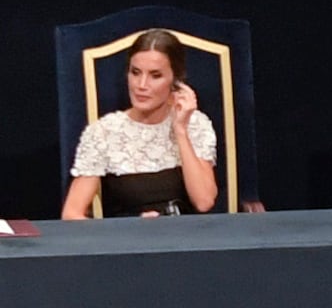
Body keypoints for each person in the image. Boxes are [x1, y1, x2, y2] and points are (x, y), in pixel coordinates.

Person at [67, 33, 223, 219]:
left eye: (155, 75)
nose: (141, 85)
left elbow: (204, 202)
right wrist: (129, 230)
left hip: (186, 239)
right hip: (127, 242)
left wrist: (180, 130)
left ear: (175, 81)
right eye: (135, 72)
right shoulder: (104, 132)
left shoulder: (195, 123)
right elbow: (71, 214)